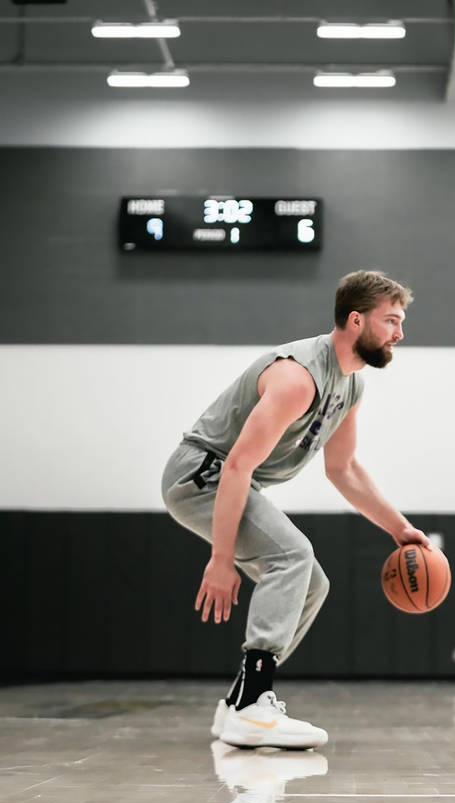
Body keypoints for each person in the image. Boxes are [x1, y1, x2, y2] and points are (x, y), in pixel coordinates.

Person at [161, 270, 431, 749]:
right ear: (355, 320)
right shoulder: (298, 378)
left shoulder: (350, 386)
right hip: (203, 475)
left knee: (312, 583)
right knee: (293, 555)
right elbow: (239, 465)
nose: (399, 333)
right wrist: (221, 561)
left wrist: (400, 528)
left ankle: (241, 700)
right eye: (390, 321)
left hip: (231, 479)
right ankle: (253, 706)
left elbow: (343, 469)